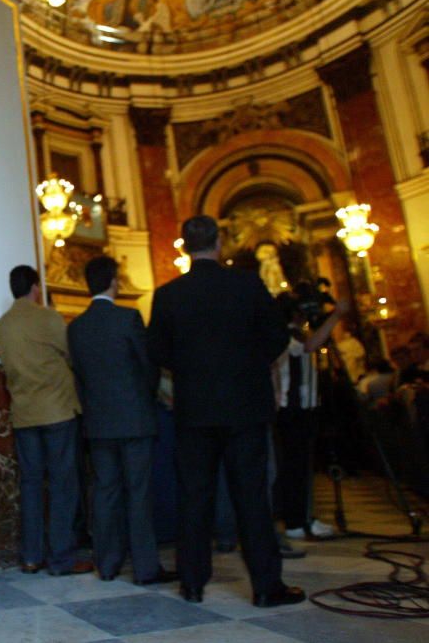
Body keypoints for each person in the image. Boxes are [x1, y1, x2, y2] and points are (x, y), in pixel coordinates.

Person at [148, 215, 304, 607]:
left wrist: (188, 371)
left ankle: (192, 583)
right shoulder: (247, 284)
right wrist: (251, 367)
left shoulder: (169, 295)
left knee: (194, 496)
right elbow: (277, 336)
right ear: (219, 243)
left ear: (184, 246)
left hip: (194, 409)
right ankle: (267, 587)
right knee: (252, 498)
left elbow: (157, 352)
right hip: (245, 407)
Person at [67, 256, 177, 585]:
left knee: (104, 493)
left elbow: (80, 376)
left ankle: (108, 564)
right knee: (138, 493)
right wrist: (144, 397)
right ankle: (145, 569)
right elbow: (148, 366)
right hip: (135, 420)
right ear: (114, 282)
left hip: (98, 423)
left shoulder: (76, 327)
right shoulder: (128, 318)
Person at [0, 265, 92, 576]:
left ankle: (31, 556)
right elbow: (71, 355)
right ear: (35, 287)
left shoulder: (3, 325)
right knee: (64, 485)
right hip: (57, 412)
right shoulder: (47, 317)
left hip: (24, 415)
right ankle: (61, 557)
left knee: (31, 485)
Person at [272, 291, 349, 541]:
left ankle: (304, 516)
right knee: (294, 466)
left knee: (303, 465)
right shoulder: (284, 333)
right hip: (291, 409)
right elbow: (309, 346)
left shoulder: (293, 332)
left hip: (303, 407)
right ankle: (295, 520)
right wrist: (335, 316)